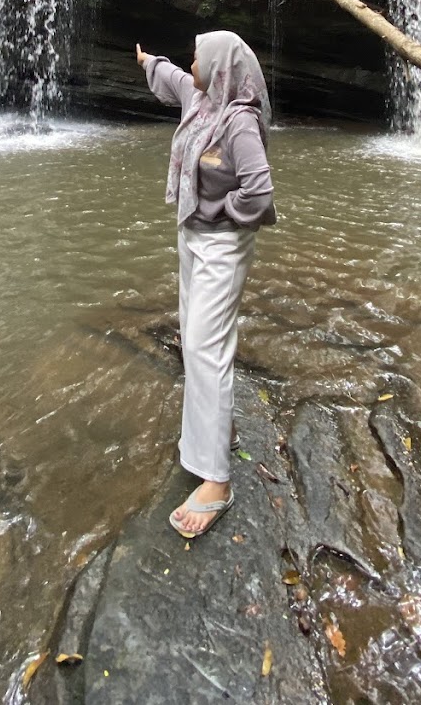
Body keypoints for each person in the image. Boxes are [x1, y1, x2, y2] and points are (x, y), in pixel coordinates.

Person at [135, 30, 276, 538]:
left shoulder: (239, 121)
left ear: (218, 67)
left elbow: (259, 196)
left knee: (204, 346)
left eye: (199, 56)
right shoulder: (201, 98)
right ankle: (212, 436)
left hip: (220, 242)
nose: (191, 62)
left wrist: (219, 212)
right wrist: (151, 59)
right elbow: (174, 81)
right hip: (190, 235)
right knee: (196, 342)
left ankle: (217, 480)